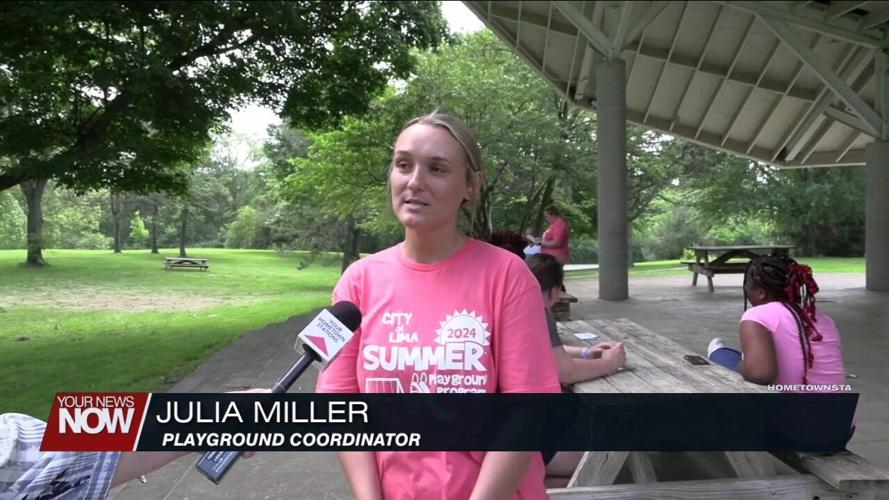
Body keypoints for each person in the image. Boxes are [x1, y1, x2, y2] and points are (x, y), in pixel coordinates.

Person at [315, 112, 561, 500]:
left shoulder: (508, 276)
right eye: (403, 165)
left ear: (469, 185)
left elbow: (527, 412)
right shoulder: (357, 282)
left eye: (437, 168)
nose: (414, 182)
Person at [524, 253, 625, 488]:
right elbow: (565, 372)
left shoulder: (509, 306)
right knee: (608, 460)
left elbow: (546, 349)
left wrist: (585, 352)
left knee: (574, 480)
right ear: (555, 291)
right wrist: (611, 362)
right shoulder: (535, 310)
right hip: (531, 442)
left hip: (501, 433)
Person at [707, 254, 846, 390]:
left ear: (761, 293)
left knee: (724, 358)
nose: (746, 291)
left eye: (746, 288)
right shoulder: (823, 319)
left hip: (792, 411)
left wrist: (739, 366)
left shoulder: (756, 316)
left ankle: (717, 352)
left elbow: (760, 374)